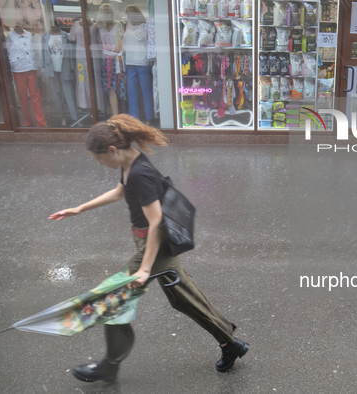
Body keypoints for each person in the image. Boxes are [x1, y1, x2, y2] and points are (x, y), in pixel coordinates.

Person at [48, 114, 249, 382]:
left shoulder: (140, 173)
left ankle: (110, 364)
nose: (98, 163)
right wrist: (80, 208)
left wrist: (144, 268)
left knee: (114, 297)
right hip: (150, 241)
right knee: (183, 297)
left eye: (98, 158)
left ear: (112, 150)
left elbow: (155, 222)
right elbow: (120, 191)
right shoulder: (130, 162)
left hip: (154, 244)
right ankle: (230, 344)